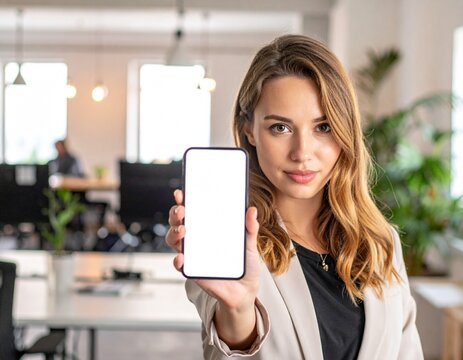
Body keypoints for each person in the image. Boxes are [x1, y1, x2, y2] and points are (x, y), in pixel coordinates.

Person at [166, 34, 423, 359]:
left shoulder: (381, 241)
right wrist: (239, 311)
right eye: (280, 128)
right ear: (249, 130)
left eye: (324, 127)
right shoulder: (228, 239)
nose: (302, 153)